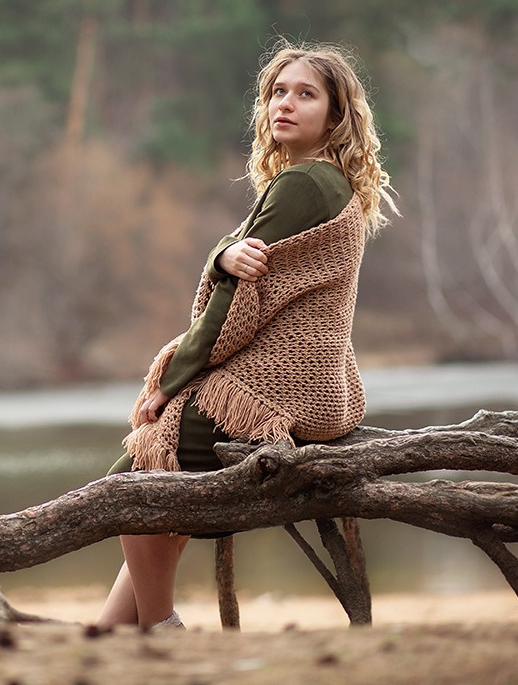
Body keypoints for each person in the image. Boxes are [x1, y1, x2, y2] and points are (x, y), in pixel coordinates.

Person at [96, 40, 397, 630]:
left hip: (270, 394)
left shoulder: (303, 185)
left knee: (133, 489)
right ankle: (107, 635)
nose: (284, 105)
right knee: (155, 501)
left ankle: (160, 632)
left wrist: (169, 384)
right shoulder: (331, 184)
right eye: (276, 93)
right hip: (318, 392)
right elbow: (238, 262)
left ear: (335, 116)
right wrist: (221, 255)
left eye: (305, 95)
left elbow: (234, 310)